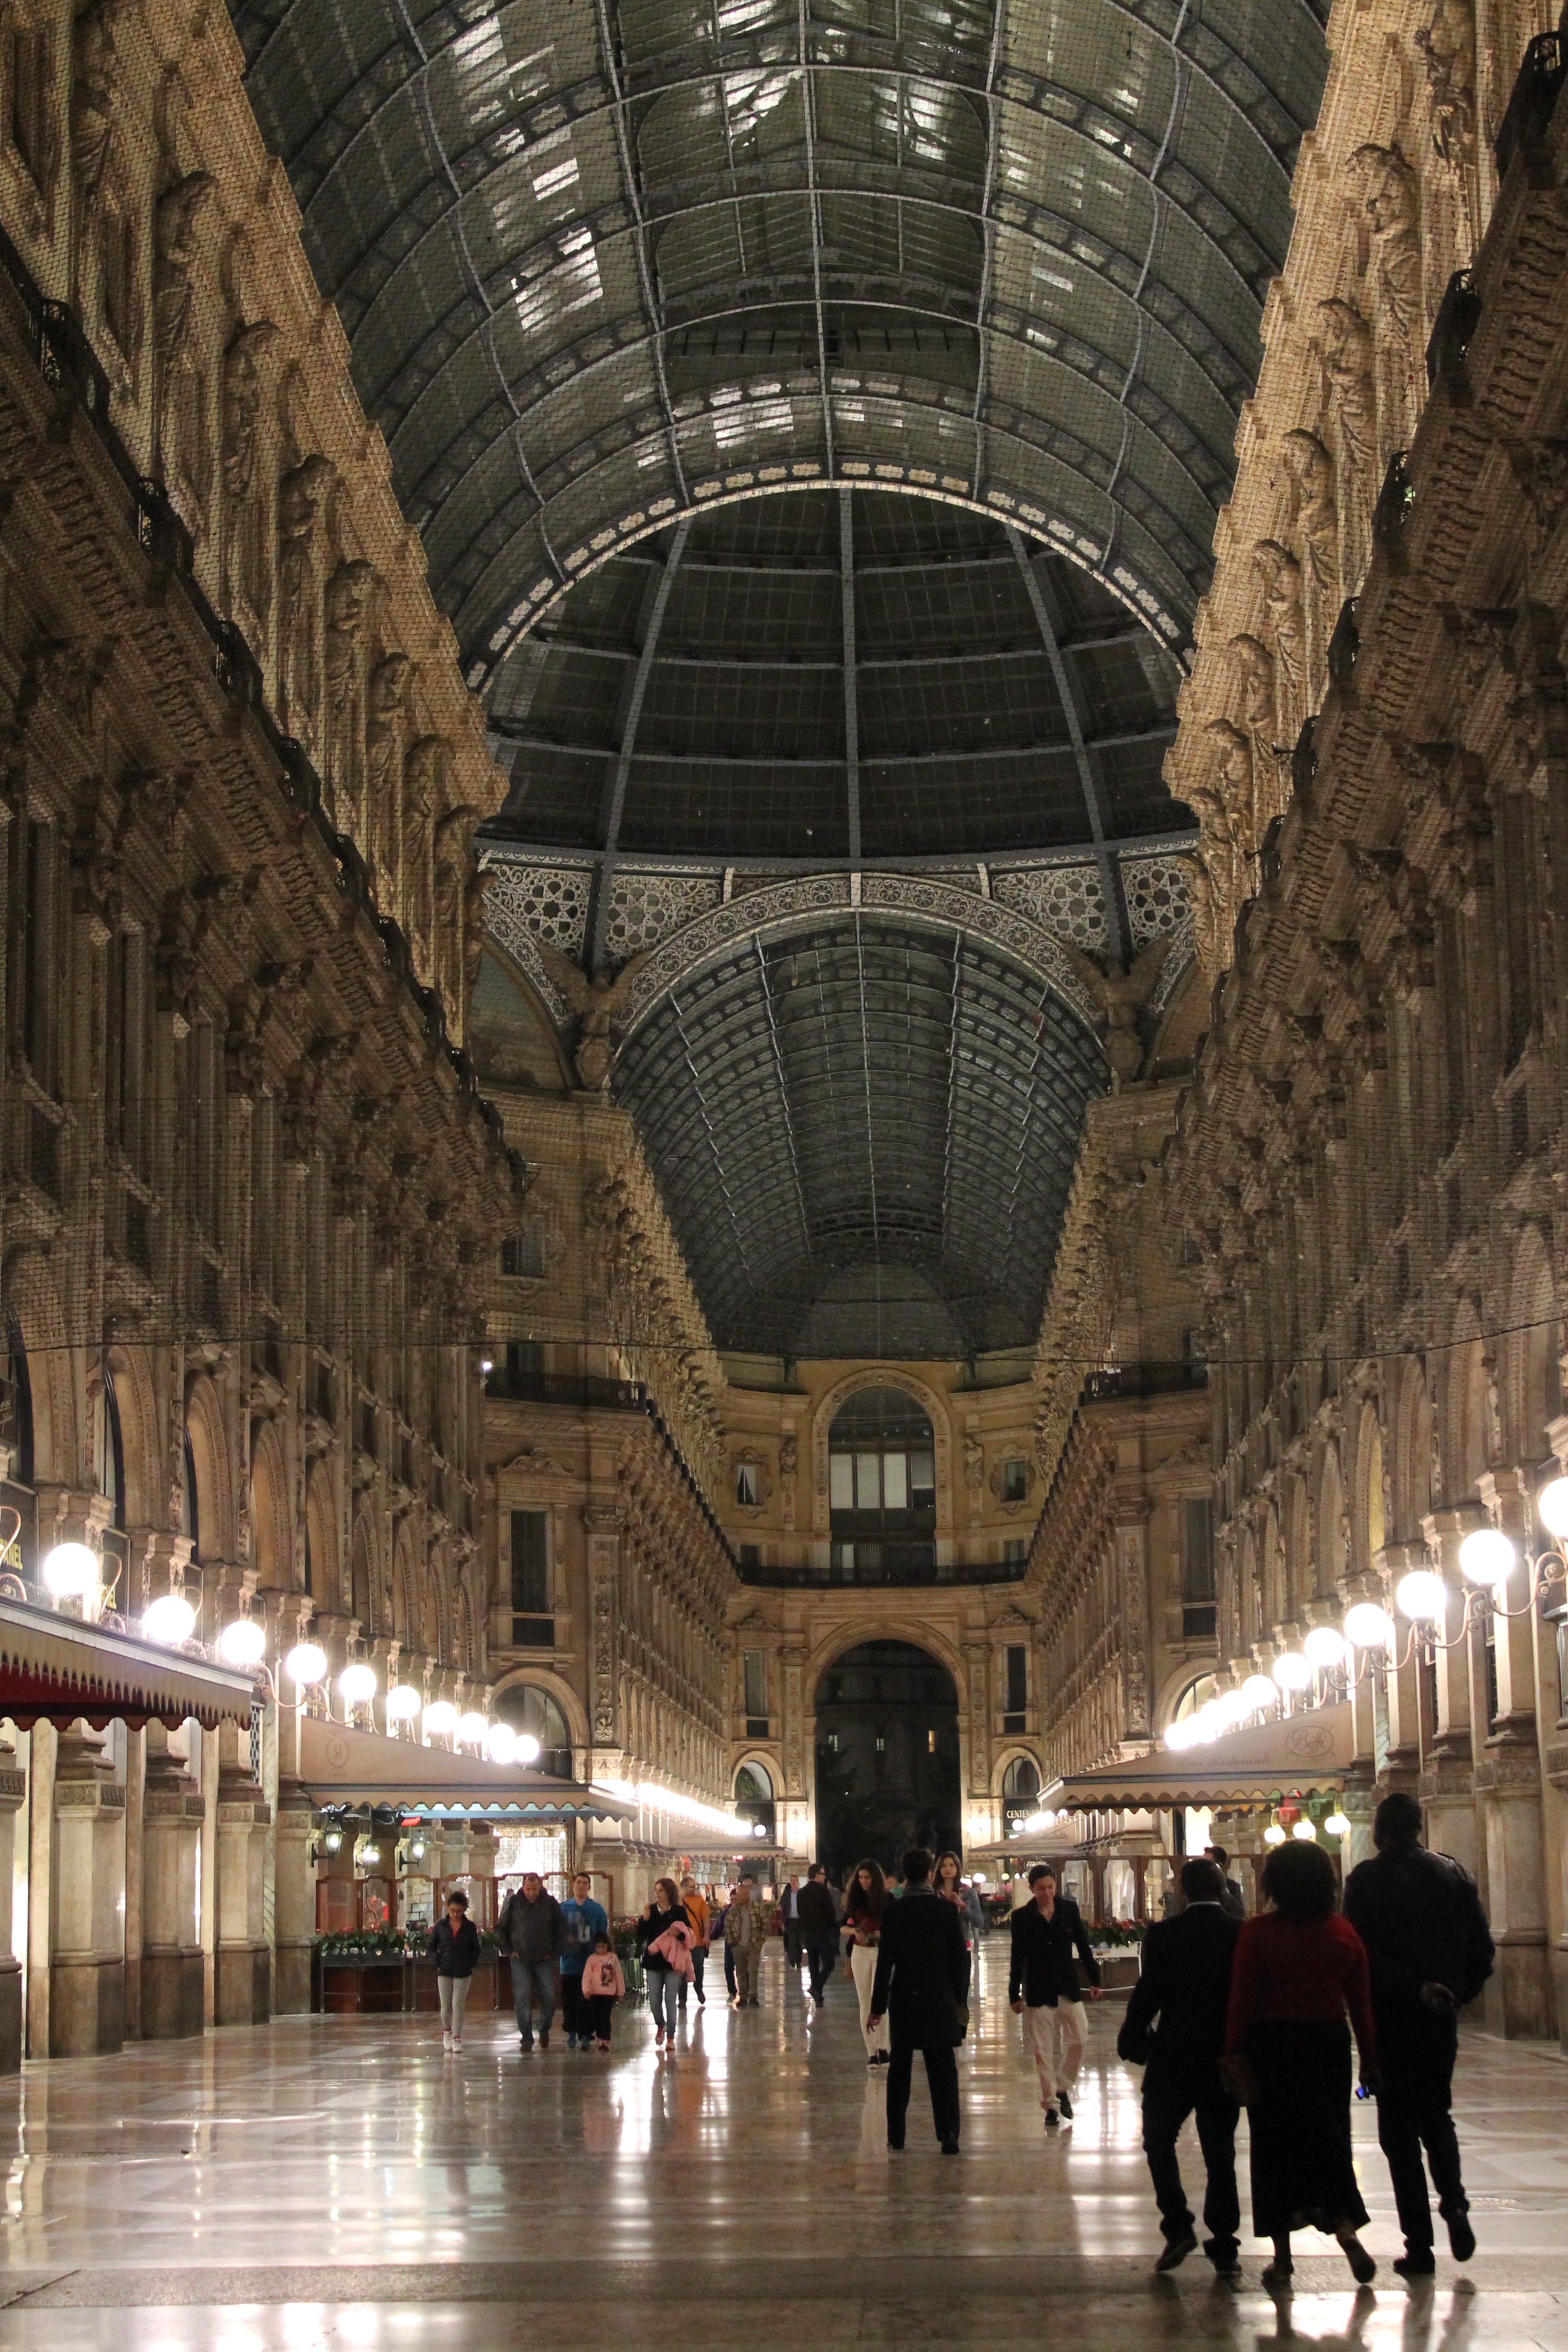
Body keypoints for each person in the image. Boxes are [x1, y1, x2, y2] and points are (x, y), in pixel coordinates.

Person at [1343, 1790, 1494, 2277]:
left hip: (1389, 2022)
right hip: (1438, 2021)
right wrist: (1455, 1993)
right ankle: (1455, 2205)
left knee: (1399, 2132)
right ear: (1418, 1826)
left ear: (1381, 1831)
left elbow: (1361, 1957)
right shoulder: (1454, 1874)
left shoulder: (1365, 1881)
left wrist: (1411, 1988)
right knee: (1436, 2116)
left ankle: (1419, 2246)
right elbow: (1482, 1951)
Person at [1223, 1837, 1379, 2290]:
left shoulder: (1258, 1933)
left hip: (1272, 2047)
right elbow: (1361, 2003)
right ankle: (1345, 2227)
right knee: (1329, 2139)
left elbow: (1242, 1999)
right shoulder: (1343, 1933)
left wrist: (1231, 2051)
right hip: (1328, 2045)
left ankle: (1283, 2261)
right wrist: (1370, 2062)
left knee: (1274, 2149)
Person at [1118, 1857, 1243, 2274]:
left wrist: (1132, 2037)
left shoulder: (1164, 1933)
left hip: (1173, 2055)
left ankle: (1178, 2225)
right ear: (1222, 1889)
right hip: (1221, 2059)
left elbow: (1148, 1991)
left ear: (1183, 1892)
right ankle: (1224, 2245)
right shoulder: (1239, 1932)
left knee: (1158, 2139)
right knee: (1220, 2151)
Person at [868, 1845, 968, 2155]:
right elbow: (960, 1960)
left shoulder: (894, 1912)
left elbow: (885, 1962)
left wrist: (877, 2007)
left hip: (905, 1997)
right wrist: (959, 1999)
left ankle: (896, 2135)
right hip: (939, 1995)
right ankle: (948, 2133)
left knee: (900, 2066)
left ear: (905, 1875)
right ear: (929, 1873)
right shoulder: (946, 1911)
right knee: (943, 2067)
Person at [1008, 1864, 1103, 2127]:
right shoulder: (1022, 1918)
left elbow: (1083, 1946)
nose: (1047, 1893)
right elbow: (1017, 1957)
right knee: (1043, 2051)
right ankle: (1050, 2105)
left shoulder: (1068, 1910)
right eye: (1041, 1889)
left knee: (1079, 2038)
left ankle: (1062, 2086)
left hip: (1067, 1987)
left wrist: (1094, 1979)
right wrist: (1014, 1993)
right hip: (1038, 1990)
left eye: (1050, 1887)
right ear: (1032, 1889)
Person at [497, 1870, 565, 2052]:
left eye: (535, 1889)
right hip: (520, 1959)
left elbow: (561, 1929)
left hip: (544, 1959)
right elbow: (501, 1928)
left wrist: (555, 1953)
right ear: (523, 1887)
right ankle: (526, 2038)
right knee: (523, 1998)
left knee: (549, 1997)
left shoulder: (550, 1903)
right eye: (528, 1889)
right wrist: (509, 1951)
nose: (532, 1893)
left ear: (540, 1887)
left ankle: (544, 2027)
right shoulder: (513, 1903)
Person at [636, 1876, 694, 2049]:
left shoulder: (679, 1911)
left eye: (661, 1890)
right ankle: (660, 2024)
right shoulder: (651, 1911)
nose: (657, 1894)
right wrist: (644, 1919)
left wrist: (679, 1933)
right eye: (656, 1891)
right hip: (654, 1962)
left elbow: (688, 1934)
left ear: (669, 1892)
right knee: (654, 2000)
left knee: (670, 1999)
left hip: (673, 1963)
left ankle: (670, 2036)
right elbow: (641, 1935)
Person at [843, 1859, 891, 2064]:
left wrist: (883, 1933)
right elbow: (843, 1926)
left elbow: (894, 1925)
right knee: (864, 2002)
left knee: (880, 1999)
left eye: (868, 1877)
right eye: (861, 1877)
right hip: (860, 1952)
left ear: (875, 1879)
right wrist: (855, 1931)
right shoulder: (855, 1899)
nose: (864, 1881)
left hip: (880, 1952)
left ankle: (884, 2046)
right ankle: (871, 2051)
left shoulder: (887, 1899)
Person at [426, 1888, 481, 2052]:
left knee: (458, 2004)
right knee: (446, 2005)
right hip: (445, 1969)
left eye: (459, 1911)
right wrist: (438, 1960)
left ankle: (457, 2038)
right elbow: (431, 1946)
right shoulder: (440, 1926)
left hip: (463, 1971)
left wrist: (470, 1963)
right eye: (452, 1911)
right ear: (448, 1908)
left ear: (464, 1910)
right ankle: (447, 2031)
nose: (455, 1914)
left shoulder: (469, 1927)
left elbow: (476, 1949)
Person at [559, 1871, 609, 2050]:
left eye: (584, 1883)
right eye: (578, 1882)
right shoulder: (563, 1909)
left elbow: (602, 1934)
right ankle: (571, 2032)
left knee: (588, 2001)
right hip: (569, 1963)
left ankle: (586, 2034)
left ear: (589, 1886)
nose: (581, 1886)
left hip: (590, 1963)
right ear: (573, 1885)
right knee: (569, 2000)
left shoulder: (597, 1909)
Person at [933, 1851, 984, 2003]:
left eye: (952, 1865)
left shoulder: (968, 1892)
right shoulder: (933, 1893)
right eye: (944, 1866)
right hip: (938, 1950)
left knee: (960, 1997)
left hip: (961, 1948)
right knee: (940, 1997)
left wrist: (962, 1906)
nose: (948, 1869)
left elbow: (979, 1921)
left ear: (957, 1868)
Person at [797, 1863, 839, 2006]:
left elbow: (800, 1914)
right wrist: (830, 1927)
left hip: (808, 1934)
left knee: (813, 1965)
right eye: (823, 1874)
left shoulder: (801, 1893)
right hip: (822, 1933)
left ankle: (818, 1996)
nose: (825, 1877)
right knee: (830, 1963)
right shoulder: (822, 1891)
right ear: (816, 1875)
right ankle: (816, 1987)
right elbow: (830, 1913)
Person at [580, 1930, 625, 2051]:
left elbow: (618, 1975)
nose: (601, 1950)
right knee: (596, 2016)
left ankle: (605, 2040)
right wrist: (586, 1989)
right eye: (598, 1947)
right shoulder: (592, 1959)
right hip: (595, 1993)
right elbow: (587, 1976)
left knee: (605, 2017)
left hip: (608, 1993)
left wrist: (621, 1992)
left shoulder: (613, 1958)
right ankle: (599, 2037)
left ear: (608, 1946)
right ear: (595, 1947)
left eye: (604, 1947)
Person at [724, 1873, 763, 2005]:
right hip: (738, 1945)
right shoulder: (733, 1910)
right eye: (738, 1896)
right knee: (740, 1972)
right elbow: (727, 1926)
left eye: (741, 1896)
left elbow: (765, 1924)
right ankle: (743, 1996)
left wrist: (760, 1941)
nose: (738, 1898)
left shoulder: (757, 1909)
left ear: (748, 1896)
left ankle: (753, 1996)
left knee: (753, 1970)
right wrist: (732, 1942)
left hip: (753, 1945)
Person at [678, 1875, 711, 2013]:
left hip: (697, 1941)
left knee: (698, 1968)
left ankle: (699, 1988)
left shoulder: (699, 1900)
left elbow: (706, 1918)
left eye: (696, 1887)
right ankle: (682, 1998)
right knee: (681, 1970)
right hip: (681, 1943)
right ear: (684, 1887)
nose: (694, 1889)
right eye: (692, 1887)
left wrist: (707, 1936)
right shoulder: (677, 1902)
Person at [1205, 1844, 1246, 1921]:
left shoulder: (1232, 1886)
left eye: (1208, 1863)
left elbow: (1239, 1912)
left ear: (1219, 1865)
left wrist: (1224, 1889)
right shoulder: (1198, 1885)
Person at [779, 1873, 803, 1968]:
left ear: (798, 1882)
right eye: (791, 1880)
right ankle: (792, 1959)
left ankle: (799, 1961)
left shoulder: (801, 1893)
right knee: (792, 1940)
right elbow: (782, 1904)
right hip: (790, 1921)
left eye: (795, 1880)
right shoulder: (787, 1894)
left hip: (800, 1921)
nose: (793, 1882)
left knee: (799, 1942)